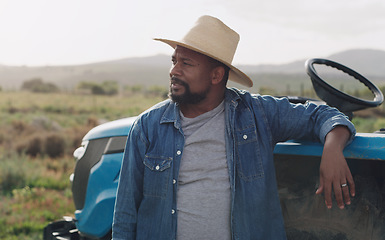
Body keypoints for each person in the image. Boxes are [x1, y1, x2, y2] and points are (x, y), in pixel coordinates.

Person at [112, 15, 356, 240]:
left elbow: (323, 114)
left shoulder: (257, 114)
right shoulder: (148, 126)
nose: (174, 71)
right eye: (174, 61)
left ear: (216, 75)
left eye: (186, 63)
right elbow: (125, 213)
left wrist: (333, 149)